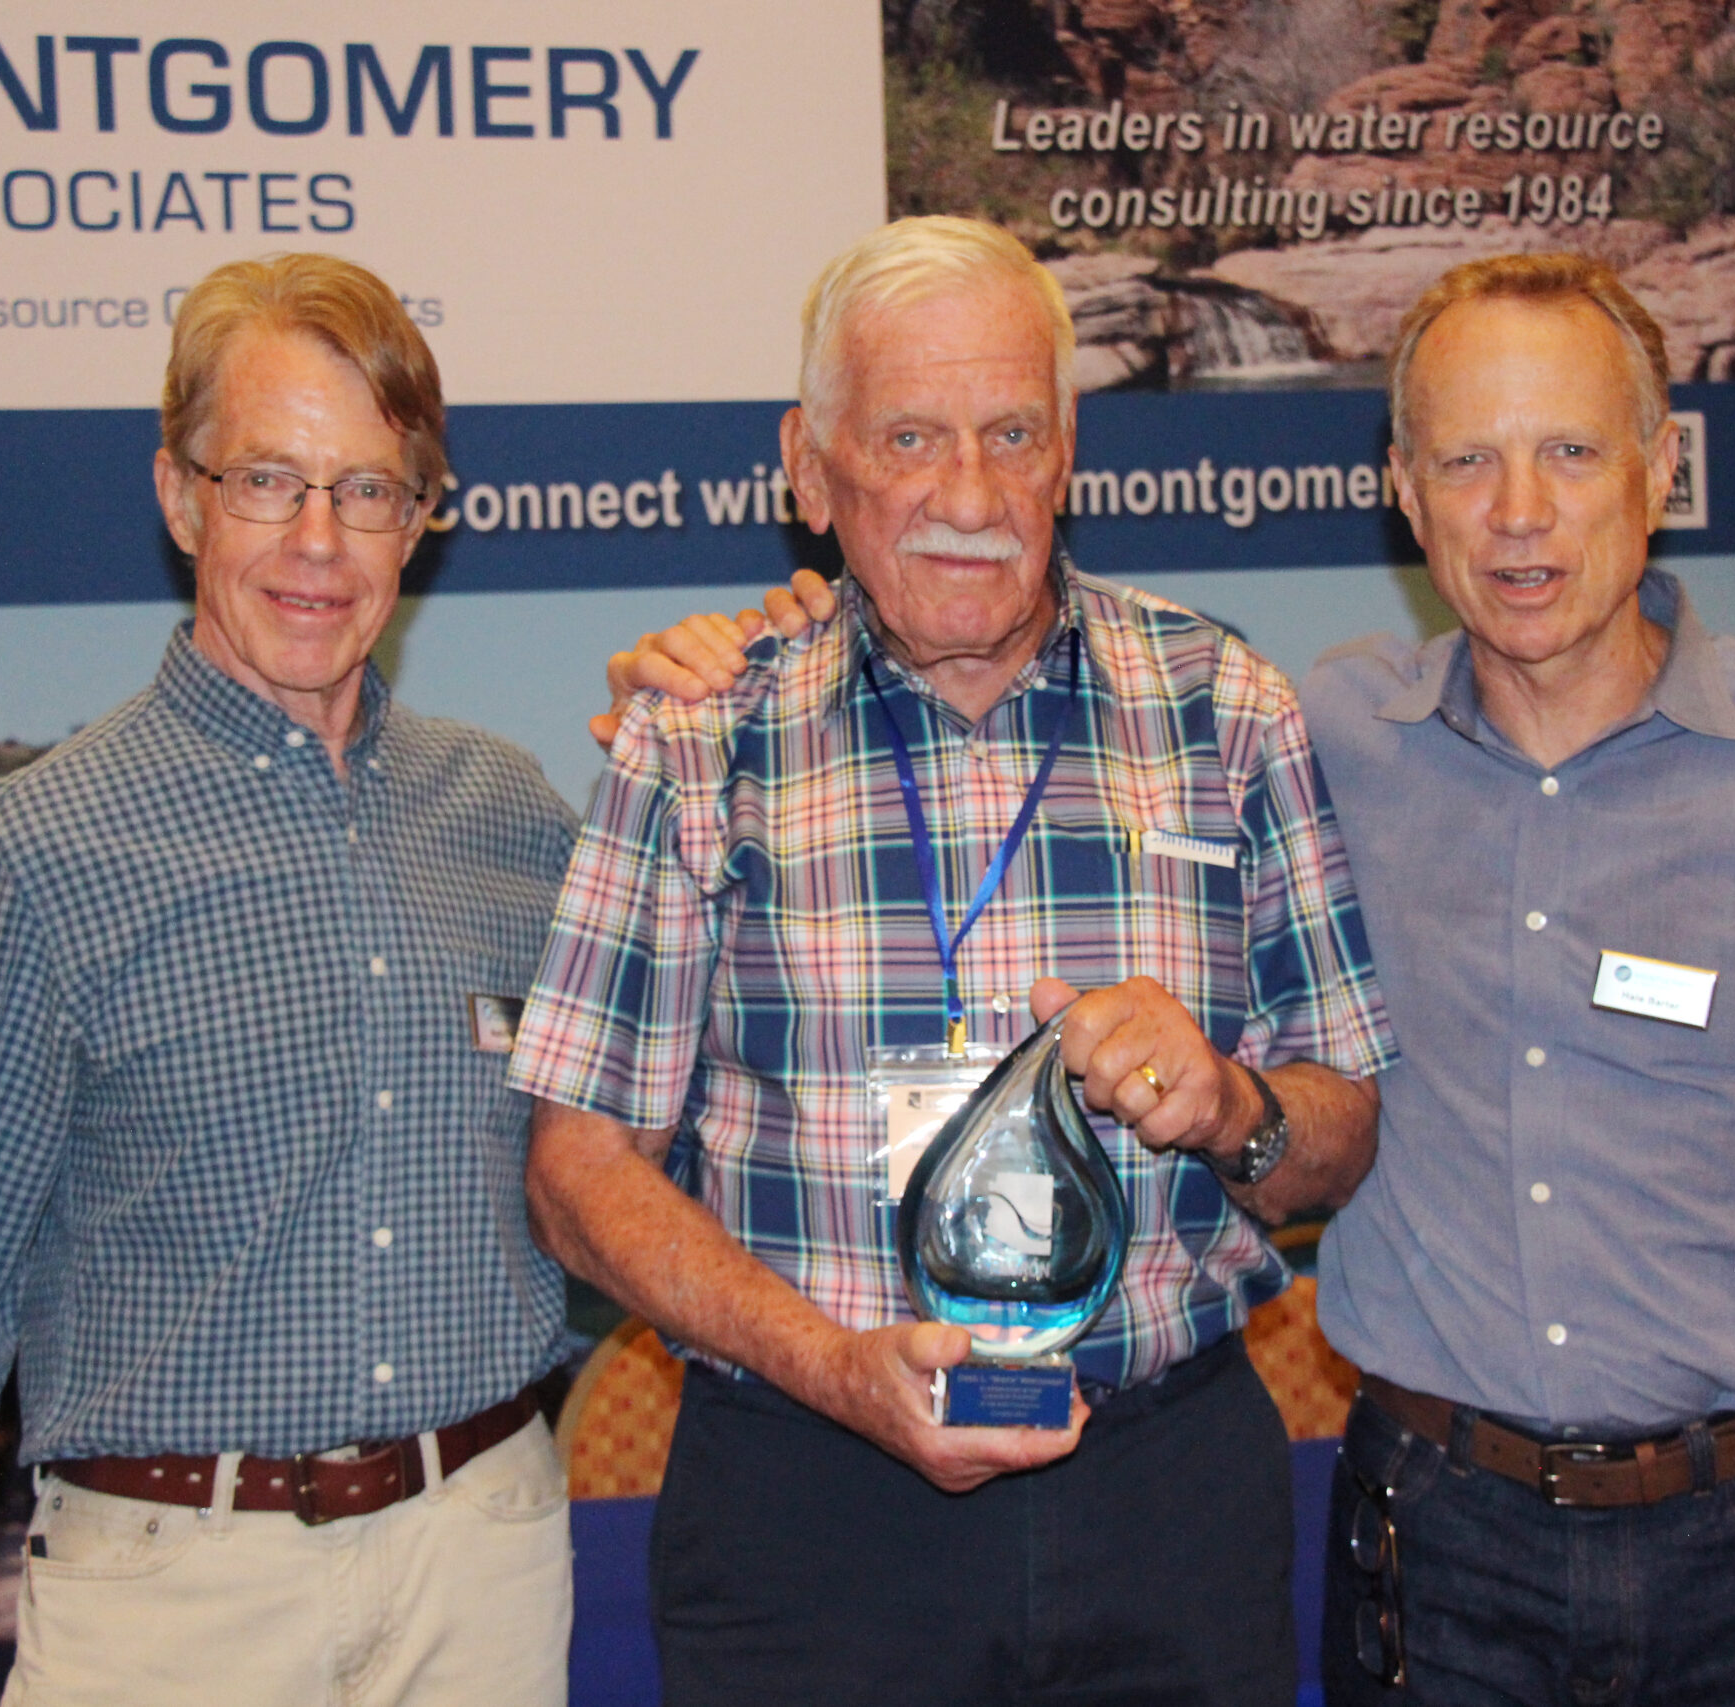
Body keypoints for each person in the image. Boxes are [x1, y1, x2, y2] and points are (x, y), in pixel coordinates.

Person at [632, 250, 1735, 1707]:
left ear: (1661, 470)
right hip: (1442, 1551)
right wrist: (747, 643)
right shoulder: (1326, 736)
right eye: (1467, 460)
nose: (1519, 511)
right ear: (1404, 494)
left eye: (1571, 453)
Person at [511, 215, 1397, 1707]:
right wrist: (833, 1367)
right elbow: (577, 1169)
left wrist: (1234, 1107)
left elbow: (1347, 1130)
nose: (971, 496)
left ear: (1069, 454)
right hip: (809, 1506)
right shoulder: (700, 737)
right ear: (811, 468)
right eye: (910, 437)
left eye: (1012, 434)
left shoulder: (1228, 707)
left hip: (1165, 1501)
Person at [0, 254, 580, 1707]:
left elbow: (630, 1140)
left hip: (486, 1560)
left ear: (418, 521)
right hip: (176, 1598)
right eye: (267, 482)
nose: (319, 540)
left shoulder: (509, 813)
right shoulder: (41, 848)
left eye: (368, 489)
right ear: (181, 499)